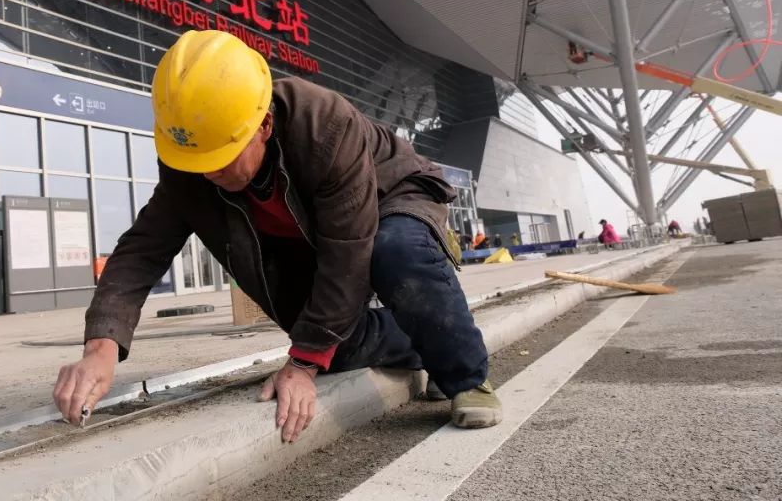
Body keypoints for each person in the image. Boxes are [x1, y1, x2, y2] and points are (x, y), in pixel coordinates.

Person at [53, 30, 501, 443]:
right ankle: (426, 344)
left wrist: (302, 365)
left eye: (224, 157)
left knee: (396, 254)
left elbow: (349, 251)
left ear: (264, 126)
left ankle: (465, 376)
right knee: (330, 347)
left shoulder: (324, 123)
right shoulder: (191, 162)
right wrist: (101, 347)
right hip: (309, 236)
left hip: (389, 197)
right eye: (199, 161)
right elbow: (142, 249)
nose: (210, 173)